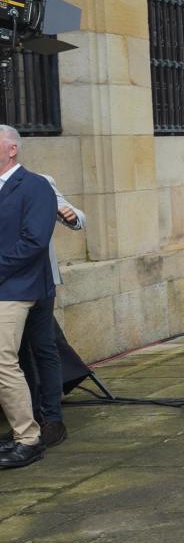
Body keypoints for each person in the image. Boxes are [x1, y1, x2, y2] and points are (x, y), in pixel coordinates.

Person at [0, 126, 57, 471]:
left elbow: (34, 241)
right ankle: (18, 432)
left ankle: (28, 439)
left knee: (3, 362)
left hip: (17, 288)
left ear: (12, 150)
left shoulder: (35, 186)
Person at [19, 172, 85, 448]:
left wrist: (70, 215)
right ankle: (29, 418)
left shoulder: (39, 181)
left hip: (39, 280)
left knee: (43, 346)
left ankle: (53, 419)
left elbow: (77, 217)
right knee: (16, 353)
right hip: (6, 282)